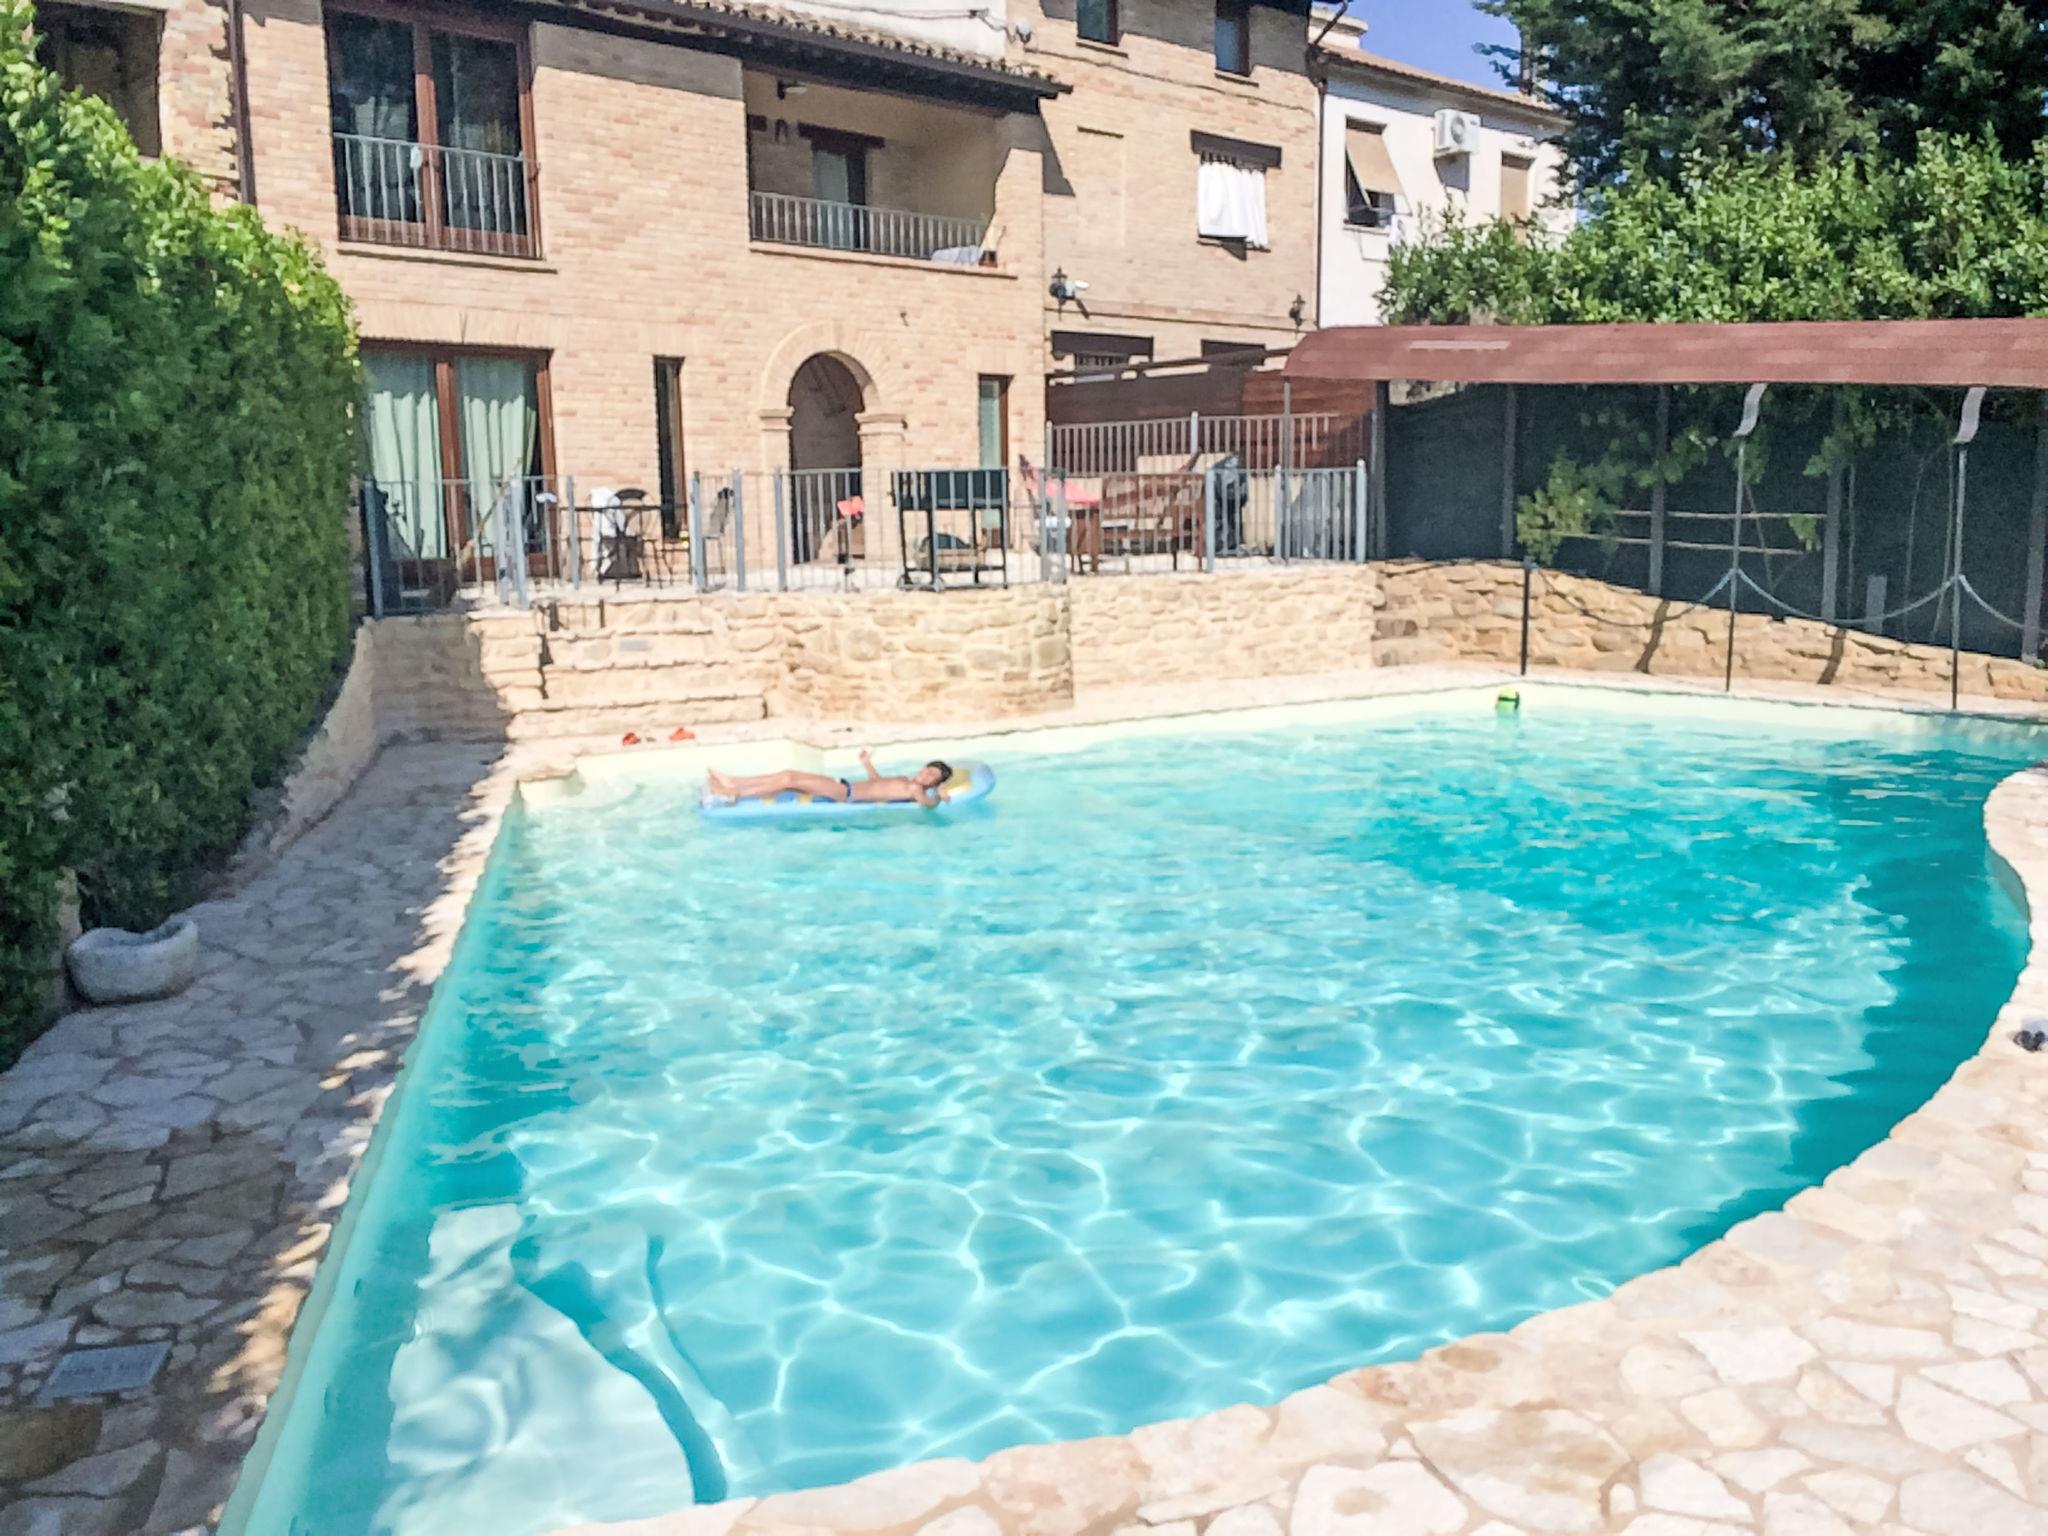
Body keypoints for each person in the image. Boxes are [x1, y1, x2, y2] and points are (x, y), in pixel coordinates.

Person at [706, 750, 953, 808]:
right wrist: (867, 763)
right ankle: (734, 782)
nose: (926, 774)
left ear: (934, 783)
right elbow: (877, 784)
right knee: (787, 777)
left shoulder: (915, 791)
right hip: (843, 785)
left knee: (790, 777)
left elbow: (928, 804)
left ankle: (735, 792)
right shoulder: (904, 780)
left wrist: (939, 797)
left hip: (845, 794)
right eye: (928, 769)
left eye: (933, 776)